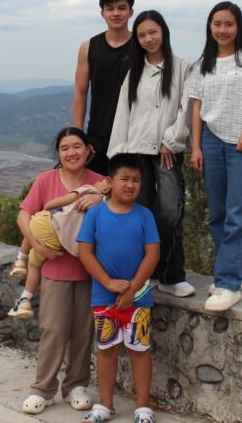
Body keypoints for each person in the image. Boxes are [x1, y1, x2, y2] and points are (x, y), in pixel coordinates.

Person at [189, 2, 242, 313]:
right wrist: (196, 146)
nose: (222, 30)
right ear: (209, 27)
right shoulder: (202, 64)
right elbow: (196, 108)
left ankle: (227, 282)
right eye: (217, 23)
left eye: (229, 24)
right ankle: (232, 272)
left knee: (239, 214)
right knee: (218, 214)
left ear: (238, 28)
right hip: (211, 140)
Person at [16, 127, 105, 415]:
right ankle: (43, 388)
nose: (71, 152)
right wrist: (36, 246)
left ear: (88, 149)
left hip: (90, 270)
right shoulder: (46, 181)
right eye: (65, 148)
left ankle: (76, 385)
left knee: (82, 332)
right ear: (58, 153)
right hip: (54, 268)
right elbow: (24, 215)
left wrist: (100, 199)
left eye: (77, 146)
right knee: (52, 330)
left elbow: (120, 207)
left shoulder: (100, 182)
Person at [108, 10, 195, 297]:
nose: (148, 39)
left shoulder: (182, 67)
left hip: (166, 151)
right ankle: (148, 273)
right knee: (140, 214)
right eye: (142, 34)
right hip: (136, 151)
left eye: (153, 32)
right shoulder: (136, 71)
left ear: (164, 31)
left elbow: (188, 107)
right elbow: (124, 113)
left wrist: (172, 140)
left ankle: (172, 275)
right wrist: (118, 154)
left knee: (169, 212)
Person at [77, 153, 160, 423]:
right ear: (109, 182)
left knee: (140, 350)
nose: (131, 185)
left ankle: (143, 408)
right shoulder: (96, 214)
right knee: (106, 350)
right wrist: (109, 283)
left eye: (136, 180)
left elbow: (152, 255)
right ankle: (106, 405)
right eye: (125, 179)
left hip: (139, 299)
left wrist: (132, 289)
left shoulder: (145, 215)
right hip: (104, 296)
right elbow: (85, 252)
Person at [7, 178, 109, 319]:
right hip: (60, 242)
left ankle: (20, 259)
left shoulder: (89, 189)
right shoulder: (106, 209)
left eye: (102, 181)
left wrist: (48, 206)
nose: (98, 180)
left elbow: (62, 201)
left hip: (50, 225)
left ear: (105, 188)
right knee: (35, 261)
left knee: (33, 226)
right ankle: (24, 301)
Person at [73, 0, 135, 176]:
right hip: (98, 133)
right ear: (102, 13)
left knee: (131, 191)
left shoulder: (141, 46)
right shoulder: (89, 47)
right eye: (110, 8)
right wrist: (78, 135)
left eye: (121, 8)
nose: (116, 13)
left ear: (130, 12)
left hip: (133, 133)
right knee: (92, 191)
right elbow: (80, 93)